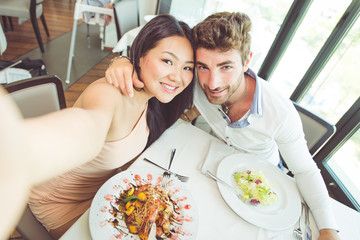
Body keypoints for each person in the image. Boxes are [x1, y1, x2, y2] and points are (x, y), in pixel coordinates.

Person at [105, 12, 340, 240]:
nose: (212, 83)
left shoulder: (280, 112)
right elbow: (156, 65)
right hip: (214, 168)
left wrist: (329, 229)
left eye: (226, 67)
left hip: (261, 181)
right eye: (203, 66)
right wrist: (124, 61)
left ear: (247, 61)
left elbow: (305, 171)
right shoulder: (190, 79)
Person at [0, 14, 195, 239]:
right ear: (140, 57)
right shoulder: (109, 94)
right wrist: (19, 150)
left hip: (105, 189)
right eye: (167, 61)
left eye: (187, 68)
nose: (177, 77)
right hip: (61, 202)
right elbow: (88, 127)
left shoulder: (151, 100)